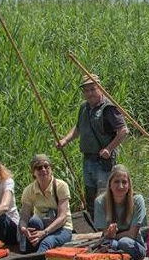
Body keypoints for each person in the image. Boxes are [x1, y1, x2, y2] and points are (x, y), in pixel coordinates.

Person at [57, 73, 129, 219]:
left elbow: (123, 130)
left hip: (103, 162)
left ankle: (108, 226)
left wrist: (109, 148)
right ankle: (95, 227)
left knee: (103, 197)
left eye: (92, 89)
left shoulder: (108, 108)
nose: (89, 93)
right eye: (86, 90)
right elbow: (78, 128)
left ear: (100, 88)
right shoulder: (84, 108)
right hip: (88, 159)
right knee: (90, 197)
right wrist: (64, 141)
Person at [19, 154, 73, 253]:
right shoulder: (29, 190)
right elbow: (24, 216)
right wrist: (23, 228)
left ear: (51, 169)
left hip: (62, 228)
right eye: (39, 168)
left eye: (46, 166)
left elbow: (62, 217)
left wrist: (44, 233)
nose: (43, 170)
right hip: (41, 225)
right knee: (32, 223)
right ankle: (28, 253)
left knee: (46, 242)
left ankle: (38, 254)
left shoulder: (61, 186)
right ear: (33, 172)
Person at [93, 164, 146, 260]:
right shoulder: (100, 202)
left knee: (123, 242)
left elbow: (132, 234)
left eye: (124, 182)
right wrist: (108, 234)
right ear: (110, 184)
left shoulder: (137, 200)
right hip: (112, 241)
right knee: (111, 244)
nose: (120, 186)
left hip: (134, 244)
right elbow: (105, 233)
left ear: (129, 185)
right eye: (116, 182)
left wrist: (112, 236)